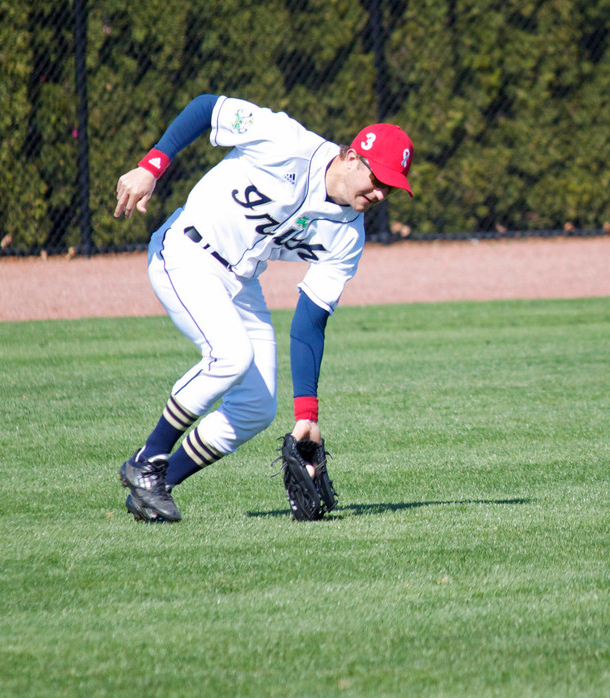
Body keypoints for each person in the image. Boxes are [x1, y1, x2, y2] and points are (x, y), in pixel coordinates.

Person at [113, 94, 414, 522]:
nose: (381, 193)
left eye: (391, 186)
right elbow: (205, 108)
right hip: (186, 249)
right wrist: (151, 166)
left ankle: (156, 486)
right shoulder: (285, 141)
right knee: (230, 357)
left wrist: (307, 417)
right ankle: (147, 460)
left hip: (242, 279)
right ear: (351, 157)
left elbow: (310, 321)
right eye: (377, 178)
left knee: (257, 407)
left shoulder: (348, 237)